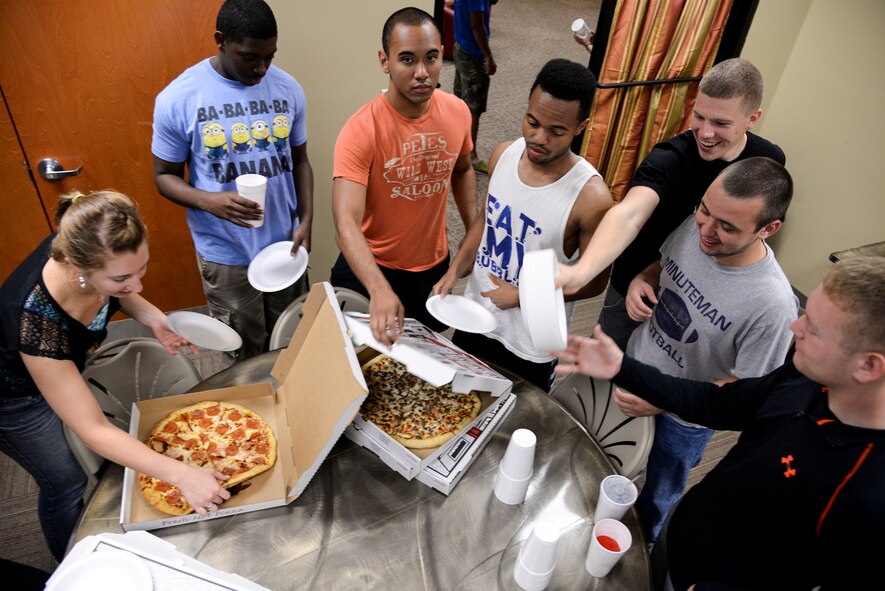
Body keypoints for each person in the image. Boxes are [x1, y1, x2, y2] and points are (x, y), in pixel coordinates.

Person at [554, 256, 885, 590]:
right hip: (686, 531)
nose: (793, 328)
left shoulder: (870, 496)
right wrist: (623, 368)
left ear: (869, 366)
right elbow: (719, 404)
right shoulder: (806, 375)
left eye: (812, 329)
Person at [0, 191, 230, 562]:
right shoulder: (34, 319)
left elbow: (118, 295)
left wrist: (155, 318)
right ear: (78, 267)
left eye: (141, 269)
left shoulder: (93, 238)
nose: (137, 285)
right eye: (122, 277)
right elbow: (94, 429)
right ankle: (71, 566)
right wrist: (183, 476)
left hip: (60, 361)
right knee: (65, 480)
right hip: (13, 397)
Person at [622, 157, 798, 544]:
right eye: (705, 210)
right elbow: (665, 263)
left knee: (655, 497)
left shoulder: (773, 306)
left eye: (728, 227)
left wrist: (665, 400)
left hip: (682, 419)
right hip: (634, 369)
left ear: (768, 229)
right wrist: (642, 278)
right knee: (609, 466)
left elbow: (745, 392)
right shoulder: (700, 224)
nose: (707, 230)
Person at [555, 59, 785, 349]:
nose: (705, 133)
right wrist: (583, 269)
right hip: (635, 290)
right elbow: (629, 215)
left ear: (752, 119)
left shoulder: (767, 161)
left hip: (699, 296)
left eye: (721, 123)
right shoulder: (669, 159)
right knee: (603, 364)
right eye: (699, 116)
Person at [433, 59, 612, 391]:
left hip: (530, 343)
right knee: (455, 404)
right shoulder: (503, 154)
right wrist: (454, 270)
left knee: (511, 428)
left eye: (556, 131)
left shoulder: (591, 198)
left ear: (580, 126)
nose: (538, 138)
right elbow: (483, 225)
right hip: (475, 315)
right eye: (532, 122)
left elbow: (595, 283)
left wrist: (521, 296)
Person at [152, 0, 314, 360]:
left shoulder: (287, 89)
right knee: (245, 349)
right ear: (221, 41)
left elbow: (301, 162)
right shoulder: (179, 99)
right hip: (227, 252)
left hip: (282, 245)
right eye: (250, 57)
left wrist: (306, 219)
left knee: (291, 340)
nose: (261, 68)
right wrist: (208, 200)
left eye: (270, 56)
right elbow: (163, 177)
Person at [331, 7, 478, 347]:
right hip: (372, 267)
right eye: (408, 60)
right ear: (385, 61)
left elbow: (463, 167)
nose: (422, 73)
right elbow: (345, 222)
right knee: (362, 367)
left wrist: (473, 229)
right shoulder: (361, 129)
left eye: (431, 58)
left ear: (442, 55)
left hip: (431, 268)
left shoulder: (457, 111)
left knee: (425, 368)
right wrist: (379, 288)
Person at [452, 0, 497, 173]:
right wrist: (489, 57)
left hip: (460, 46)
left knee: (460, 101)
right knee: (473, 108)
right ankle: (471, 156)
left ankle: (456, 148)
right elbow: (477, 26)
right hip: (473, 53)